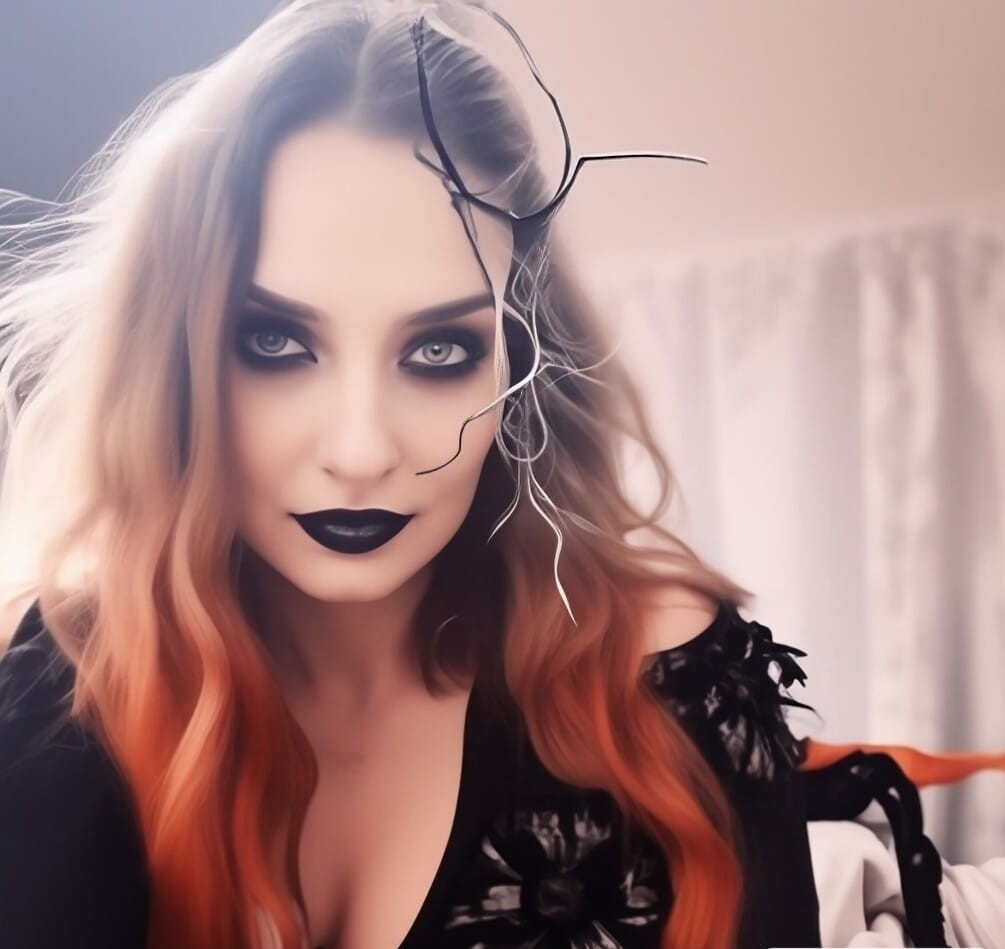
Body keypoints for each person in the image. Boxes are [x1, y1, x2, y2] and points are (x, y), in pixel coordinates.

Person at [0, 1, 1001, 947]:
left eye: (437, 351)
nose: (362, 448)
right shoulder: (78, 677)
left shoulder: (668, 694)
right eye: (275, 343)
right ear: (173, 362)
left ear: (520, 371)